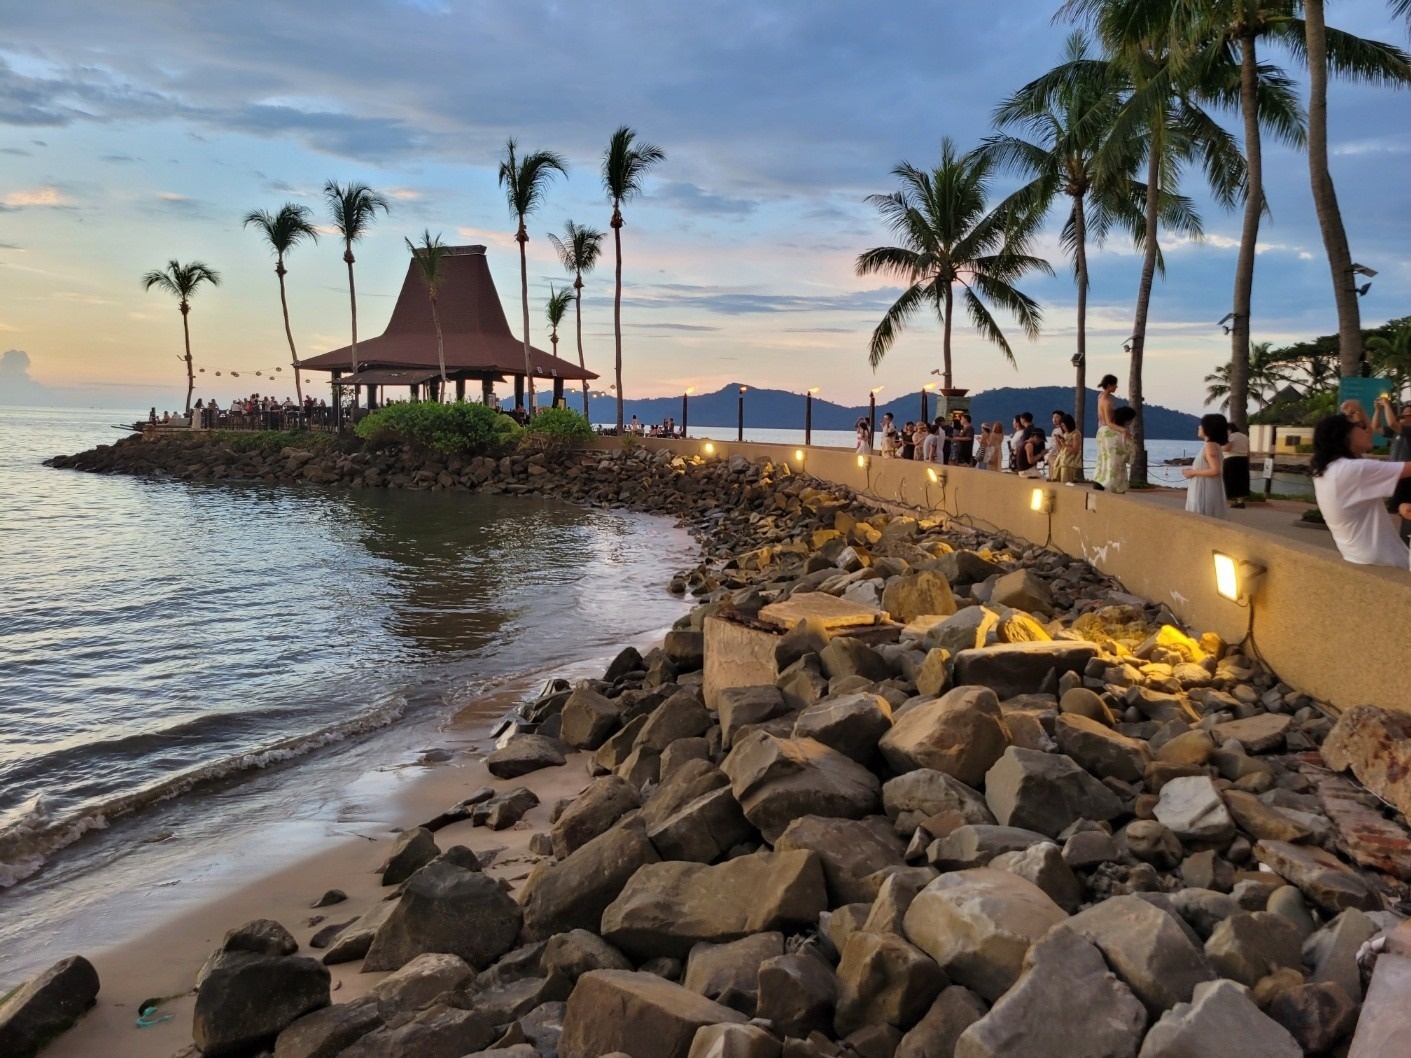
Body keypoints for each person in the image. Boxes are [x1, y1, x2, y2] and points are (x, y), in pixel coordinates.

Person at [1310, 412, 1411, 568]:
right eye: (1361, 427)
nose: (1367, 431)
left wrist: (1361, 411)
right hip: (1385, 563)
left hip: (1359, 556)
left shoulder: (1328, 470)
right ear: (1344, 435)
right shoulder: (1354, 470)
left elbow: (1370, 433)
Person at [1374, 395, 1411, 543]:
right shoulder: (1398, 432)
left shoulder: (1409, 431)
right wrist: (1378, 410)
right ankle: (1404, 540)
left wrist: (1387, 405)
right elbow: (1375, 427)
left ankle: (1406, 541)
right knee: (1401, 509)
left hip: (1407, 476)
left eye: (1405, 415)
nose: (1401, 417)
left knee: (1406, 508)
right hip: (1396, 475)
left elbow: (1392, 422)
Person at [1182, 413, 1228, 519]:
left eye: (1201, 425)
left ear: (1208, 428)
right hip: (1206, 489)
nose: (1199, 427)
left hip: (1204, 491)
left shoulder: (1210, 446)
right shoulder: (1213, 445)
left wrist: (1192, 472)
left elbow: (1215, 470)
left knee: (1201, 518)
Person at [1093, 374, 1126, 491]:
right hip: (1106, 431)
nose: (1116, 387)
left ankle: (1100, 483)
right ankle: (1110, 485)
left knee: (1103, 459)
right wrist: (1123, 430)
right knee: (1110, 460)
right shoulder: (1106, 401)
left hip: (1101, 431)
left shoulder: (1101, 396)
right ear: (1109, 385)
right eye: (1115, 385)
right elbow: (1108, 422)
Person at [1223, 424, 1251, 508]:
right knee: (1241, 481)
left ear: (1229, 429)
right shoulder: (1245, 437)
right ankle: (1240, 501)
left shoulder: (1231, 436)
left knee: (1228, 479)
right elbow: (1248, 450)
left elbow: (1227, 448)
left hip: (1231, 460)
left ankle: (1224, 498)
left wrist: (1220, 448)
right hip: (1243, 459)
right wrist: (1247, 461)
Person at [1052, 413, 1081, 484]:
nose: (1063, 428)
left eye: (1064, 426)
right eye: (1062, 426)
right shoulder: (1066, 434)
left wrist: (1064, 444)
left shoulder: (1076, 434)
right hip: (1061, 461)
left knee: (1066, 483)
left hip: (1069, 463)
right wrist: (1058, 441)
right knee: (1058, 483)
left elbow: (1075, 450)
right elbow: (1061, 449)